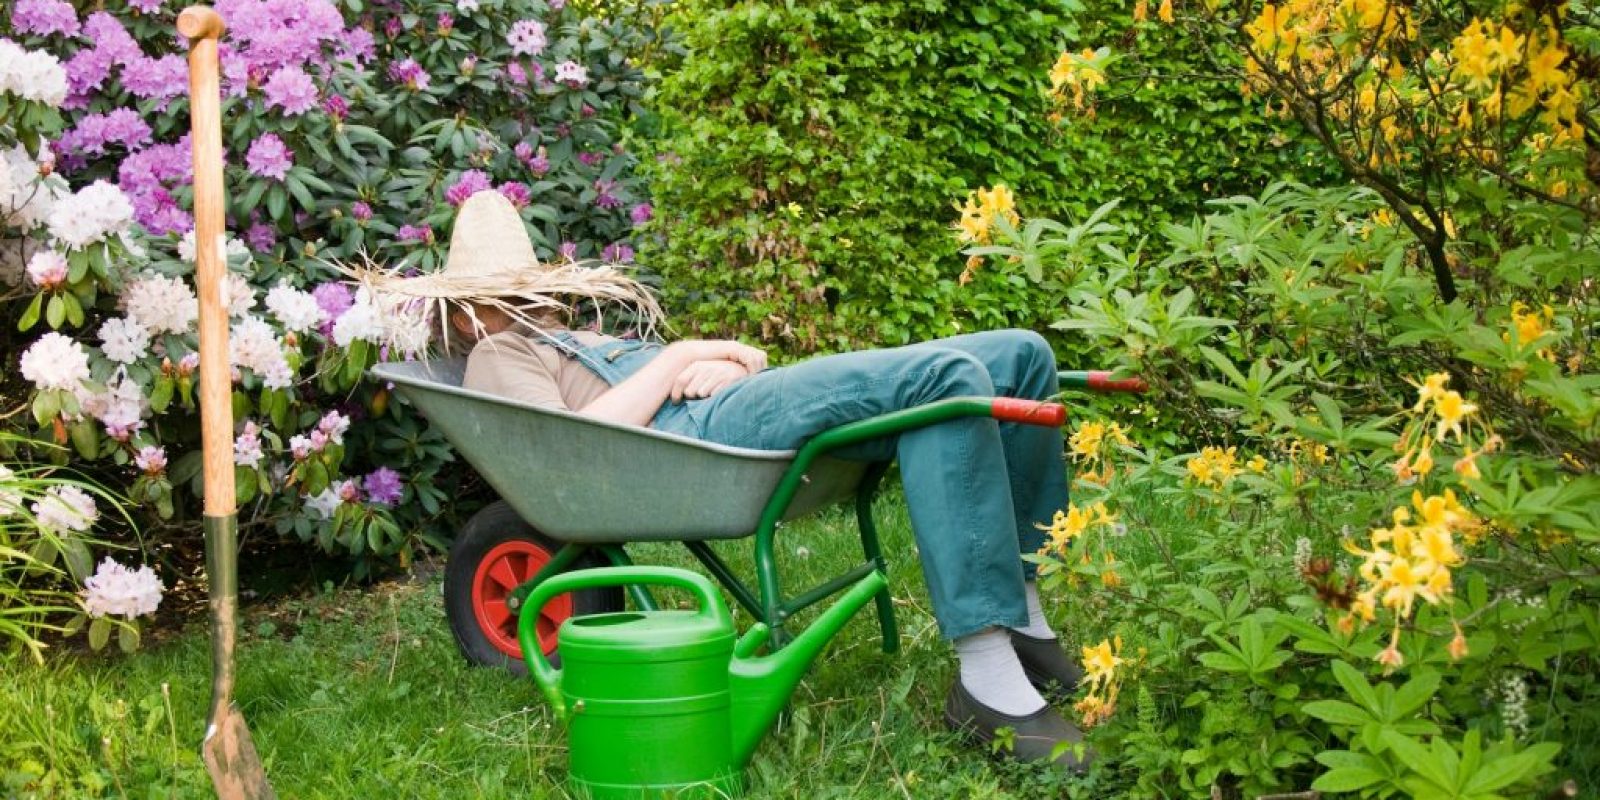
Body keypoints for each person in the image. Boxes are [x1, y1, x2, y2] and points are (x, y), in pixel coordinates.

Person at [363, 191, 1091, 769]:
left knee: (1023, 355)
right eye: (496, 299)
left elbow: (687, 370)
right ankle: (985, 680)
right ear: (465, 316)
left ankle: (1024, 621)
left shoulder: (572, 337)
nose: (520, 306)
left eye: (523, 292)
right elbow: (579, 442)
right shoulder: (498, 356)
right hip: (689, 439)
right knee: (946, 379)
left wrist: (730, 360)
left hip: (725, 409)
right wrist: (682, 359)